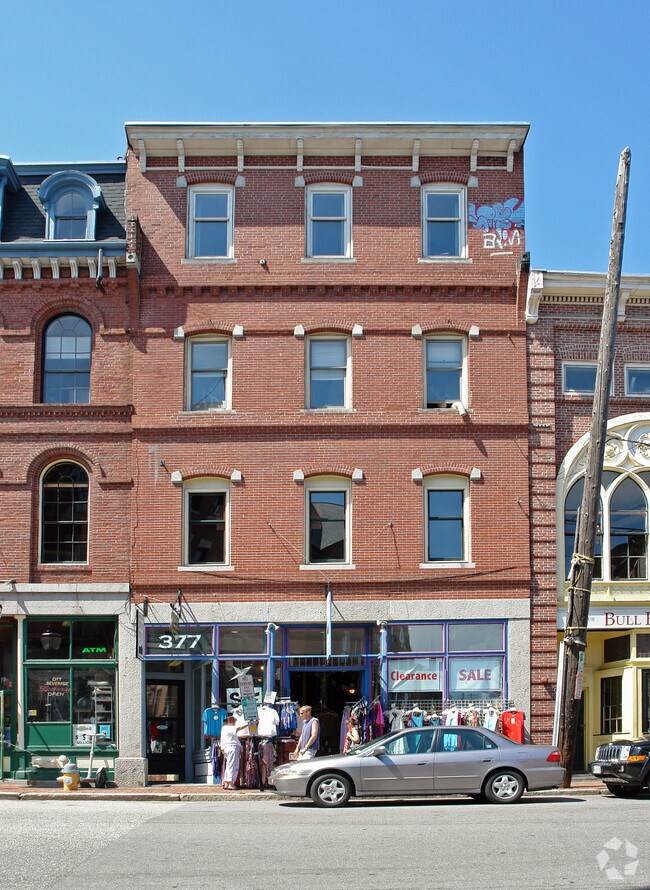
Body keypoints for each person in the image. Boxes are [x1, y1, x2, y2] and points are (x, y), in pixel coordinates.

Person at [219, 714, 247, 789]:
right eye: (234, 722)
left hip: (227, 748)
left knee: (229, 765)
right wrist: (248, 724)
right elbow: (239, 728)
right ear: (231, 721)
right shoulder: (228, 728)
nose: (235, 724)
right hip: (232, 747)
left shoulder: (224, 728)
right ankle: (231, 783)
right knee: (233, 765)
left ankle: (226, 783)